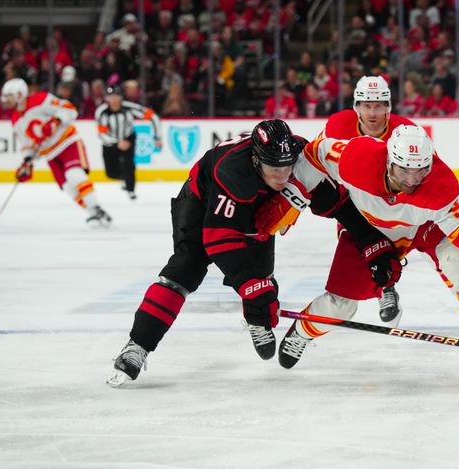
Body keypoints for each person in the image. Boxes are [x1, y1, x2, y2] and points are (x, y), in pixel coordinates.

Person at [107, 120, 393, 387]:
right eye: (274, 169)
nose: (283, 176)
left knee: (261, 278)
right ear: (256, 160)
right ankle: (137, 346)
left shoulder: (301, 163)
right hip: (201, 199)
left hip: (253, 206)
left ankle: (256, 315)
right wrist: (250, 286)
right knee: (185, 269)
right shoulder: (233, 171)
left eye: (287, 167)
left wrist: (372, 243)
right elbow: (217, 238)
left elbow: (339, 204)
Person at [257, 126, 459, 383]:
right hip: (367, 228)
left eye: (420, 170)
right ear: (389, 160)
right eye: (404, 170)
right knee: (341, 306)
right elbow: (316, 152)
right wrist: (294, 192)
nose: (412, 179)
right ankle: (303, 331)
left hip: (422, 226)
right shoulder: (359, 157)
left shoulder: (438, 187)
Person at [316, 75, 415, 325]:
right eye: (367, 105)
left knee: (387, 238)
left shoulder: (406, 132)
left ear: (388, 107)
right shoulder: (337, 126)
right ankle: (385, 287)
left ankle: (385, 286)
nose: (373, 112)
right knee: (353, 238)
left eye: (379, 105)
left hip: (392, 203)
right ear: (356, 107)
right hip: (351, 201)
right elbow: (314, 160)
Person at [1, 78, 112, 227]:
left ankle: (96, 208)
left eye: (9, 96)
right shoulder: (15, 119)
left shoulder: (41, 99)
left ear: (20, 94)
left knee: (74, 175)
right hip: (50, 154)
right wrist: (27, 162)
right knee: (68, 188)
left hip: (67, 143)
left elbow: (70, 109)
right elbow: (28, 145)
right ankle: (93, 213)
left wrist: (56, 121)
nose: (6, 100)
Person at [95, 85, 162, 200]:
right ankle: (124, 178)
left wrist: (157, 137)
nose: (114, 99)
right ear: (106, 98)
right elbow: (102, 134)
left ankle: (131, 189)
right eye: (111, 96)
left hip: (128, 138)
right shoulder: (101, 112)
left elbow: (153, 117)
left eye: (117, 96)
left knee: (128, 164)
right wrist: (117, 142)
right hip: (110, 142)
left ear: (121, 97)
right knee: (110, 173)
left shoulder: (129, 107)